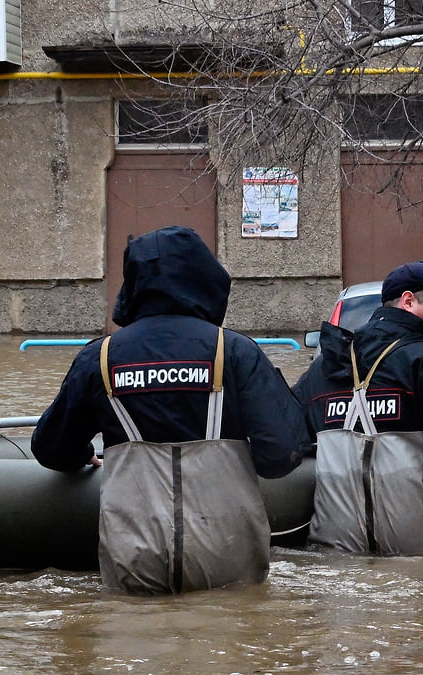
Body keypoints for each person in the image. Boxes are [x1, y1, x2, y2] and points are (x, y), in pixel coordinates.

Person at [31, 226, 311, 595]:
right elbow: (283, 454)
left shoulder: (97, 358)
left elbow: (51, 449)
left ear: (133, 284)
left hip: (133, 555)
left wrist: (87, 455)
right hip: (227, 552)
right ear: (205, 276)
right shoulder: (237, 352)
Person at [292, 261, 423, 556]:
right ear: (409, 301)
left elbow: (286, 442)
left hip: (338, 555)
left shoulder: (324, 367)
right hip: (420, 551)